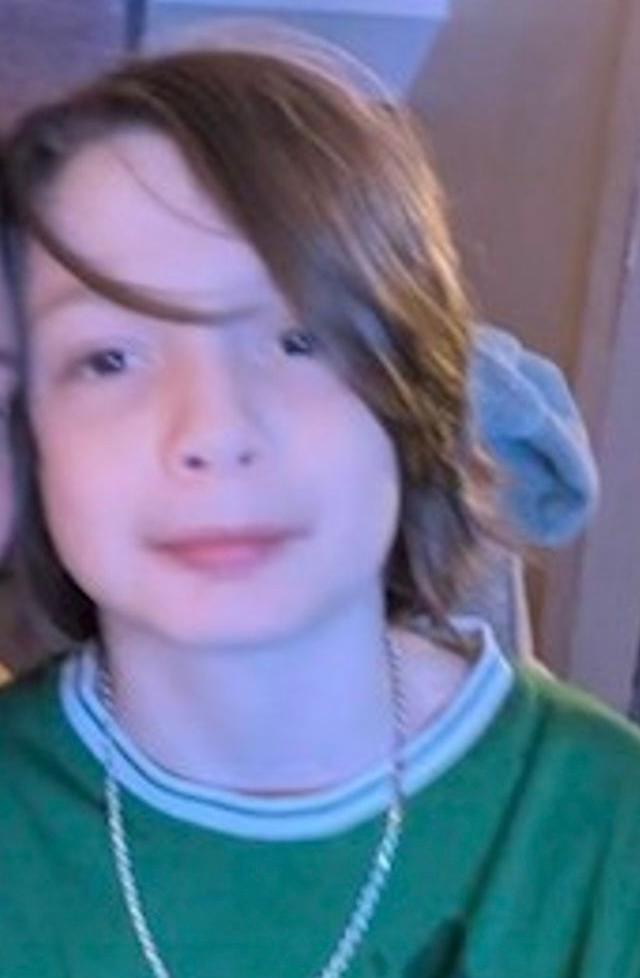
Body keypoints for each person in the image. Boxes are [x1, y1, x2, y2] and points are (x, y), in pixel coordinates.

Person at [0, 36, 639, 978]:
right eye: (109, 359)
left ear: (416, 386)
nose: (214, 430)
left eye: (299, 340)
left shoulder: (606, 830)